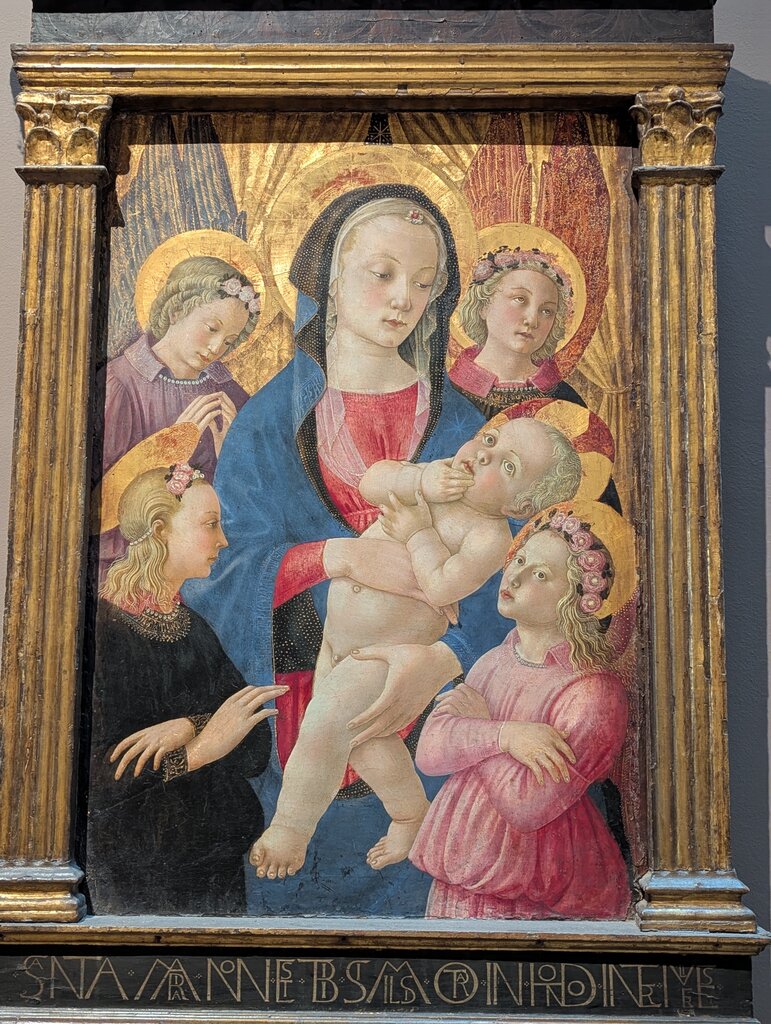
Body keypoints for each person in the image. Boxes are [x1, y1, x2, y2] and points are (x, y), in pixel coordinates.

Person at [183, 184, 521, 916]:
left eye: (424, 285)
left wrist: (441, 660)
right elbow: (218, 572)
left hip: (437, 723)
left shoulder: (466, 430)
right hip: (303, 708)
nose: (404, 299)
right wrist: (337, 559)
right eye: (382, 273)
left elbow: (518, 577)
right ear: (330, 279)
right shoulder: (268, 424)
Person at [250, 414, 582, 879]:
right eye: (489, 440)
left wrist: (418, 533)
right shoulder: (439, 476)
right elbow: (371, 481)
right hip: (337, 643)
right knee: (363, 740)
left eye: (507, 465)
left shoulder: (488, 536)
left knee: (324, 723)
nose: (483, 454)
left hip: (384, 655)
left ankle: (290, 828)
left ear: (520, 504)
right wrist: (420, 478)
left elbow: (442, 587)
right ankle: (410, 813)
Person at [409, 499, 634, 920]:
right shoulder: (494, 661)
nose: (514, 575)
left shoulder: (592, 693)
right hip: (460, 879)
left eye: (541, 574)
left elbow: (526, 805)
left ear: (577, 597)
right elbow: (430, 752)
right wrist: (505, 736)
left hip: (538, 895)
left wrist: (477, 730)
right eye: (520, 559)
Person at [88, 462, 286, 915]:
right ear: (161, 531)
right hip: (140, 879)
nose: (224, 541)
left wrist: (190, 725)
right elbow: (96, 782)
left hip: (214, 867)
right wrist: (198, 751)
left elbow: (254, 743)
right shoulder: (104, 632)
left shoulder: (193, 629)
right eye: (211, 525)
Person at [97, 254, 260, 575]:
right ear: (176, 311)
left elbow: (254, 500)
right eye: (211, 329)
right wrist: (170, 446)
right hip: (136, 565)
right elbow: (100, 509)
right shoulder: (121, 384)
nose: (217, 348)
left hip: (214, 561)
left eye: (229, 341)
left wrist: (229, 455)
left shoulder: (229, 392)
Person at [449, 245, 586, 418]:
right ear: (483, 305)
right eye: (520, 299)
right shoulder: (447, 392)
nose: (532, 320)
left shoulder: (565, 399)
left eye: (547, 311)